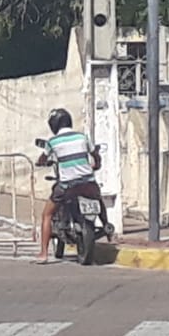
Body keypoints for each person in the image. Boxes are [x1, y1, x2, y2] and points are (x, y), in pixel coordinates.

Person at [36, 108, 105, 264]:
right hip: (88, 182)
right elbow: (95, 155)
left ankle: (43, 253)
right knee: (97, 197)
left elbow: (43, 158)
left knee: (46, 214)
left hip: (68, 185)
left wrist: (41, 161)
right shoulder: (82, 137)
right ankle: (106, 225)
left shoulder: (52, 142)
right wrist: (97, 164)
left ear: (54, 125)